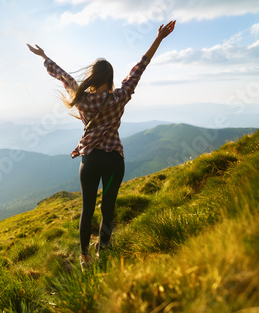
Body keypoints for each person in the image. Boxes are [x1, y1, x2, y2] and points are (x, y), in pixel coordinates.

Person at [27, 20, 176, 270]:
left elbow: (63, 76)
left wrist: (44, 57)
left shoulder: (83, 99)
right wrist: (159, 38)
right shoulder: (120, 96)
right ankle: (104, 249)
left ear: (94, 77)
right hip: (114, 161)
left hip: (91, 160)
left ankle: (84, 257)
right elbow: (141, 66)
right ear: (111, 77)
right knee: (108, 207)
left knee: (87, 210)